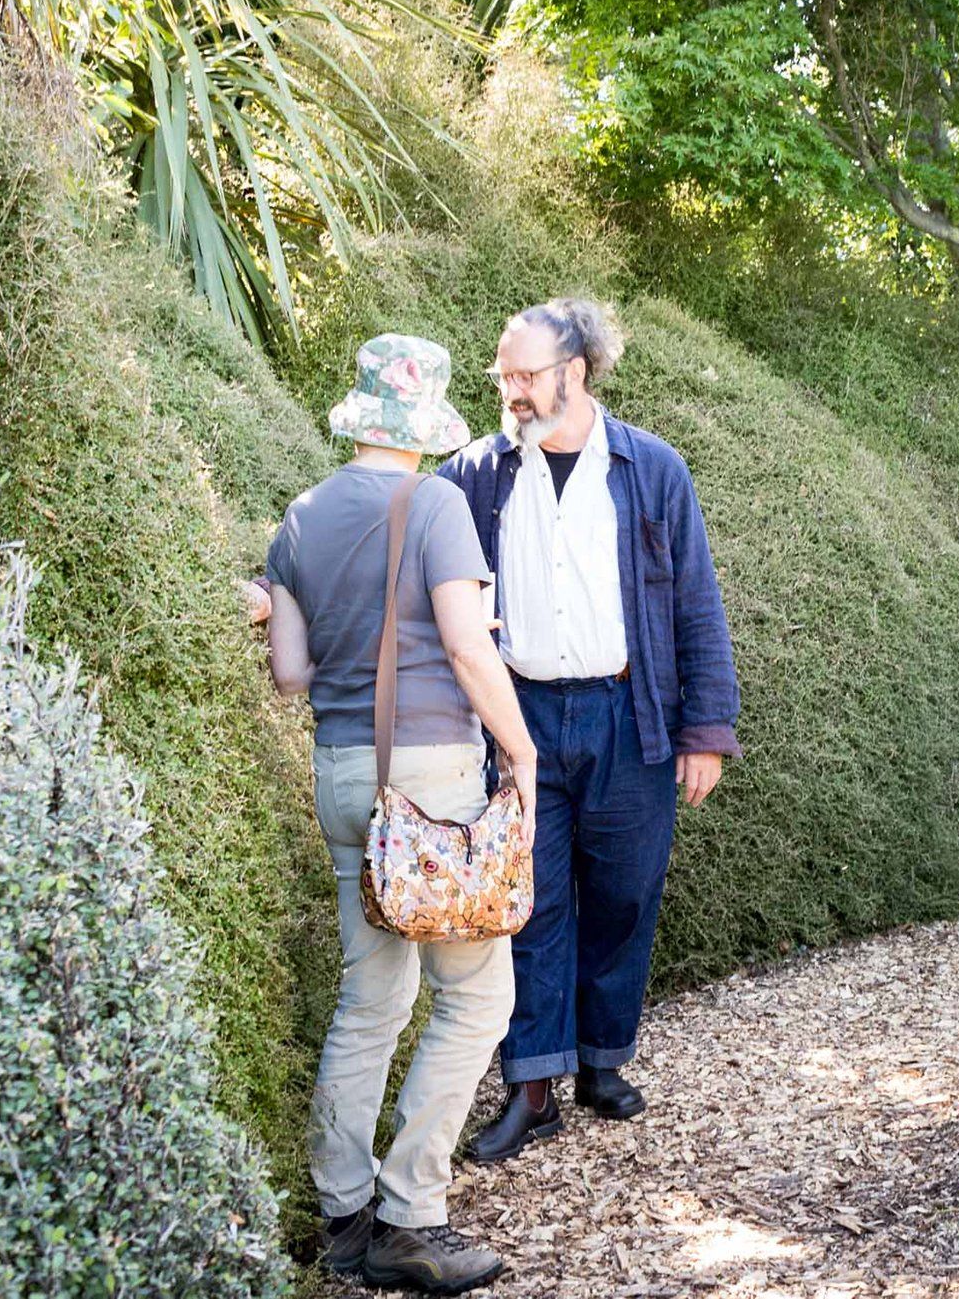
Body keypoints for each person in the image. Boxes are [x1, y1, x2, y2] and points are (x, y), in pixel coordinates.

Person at [438, 298, 741, 1164]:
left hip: (627, 714)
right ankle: (531, 1085)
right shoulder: (476, 474)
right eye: (505, 376)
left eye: (527, 375)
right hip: (519, 717)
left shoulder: (651, 470)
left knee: (624, 893)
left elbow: (694, 603)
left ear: (576, 369)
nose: (513, 391)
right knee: (528, 903)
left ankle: (601, 1060)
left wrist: (705, 729)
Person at [267, 333, 536, 1292]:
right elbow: (469, 651)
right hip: (431, 781)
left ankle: (342, 1210)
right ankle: (411, 1213)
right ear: (424, 425)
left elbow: (292, 673)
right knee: (478, 997)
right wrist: (522, 747)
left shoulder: (299, 517)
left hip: (343, 774)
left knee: (371, 995)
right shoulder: (436, 503)